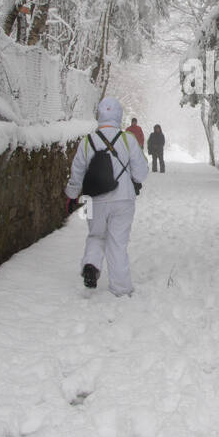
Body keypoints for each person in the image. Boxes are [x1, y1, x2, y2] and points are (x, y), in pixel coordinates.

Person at [64, 97, 149, 296]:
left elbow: (77, 172)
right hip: (123, 198)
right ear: (118, 116)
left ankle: (91, 265)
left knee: (96, 235)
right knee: (117, 242)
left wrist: (72, 195)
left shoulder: (87, 141)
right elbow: (141, 173)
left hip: (95, 200)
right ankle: (121, 288)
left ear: (100, 116)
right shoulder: (128, 140)